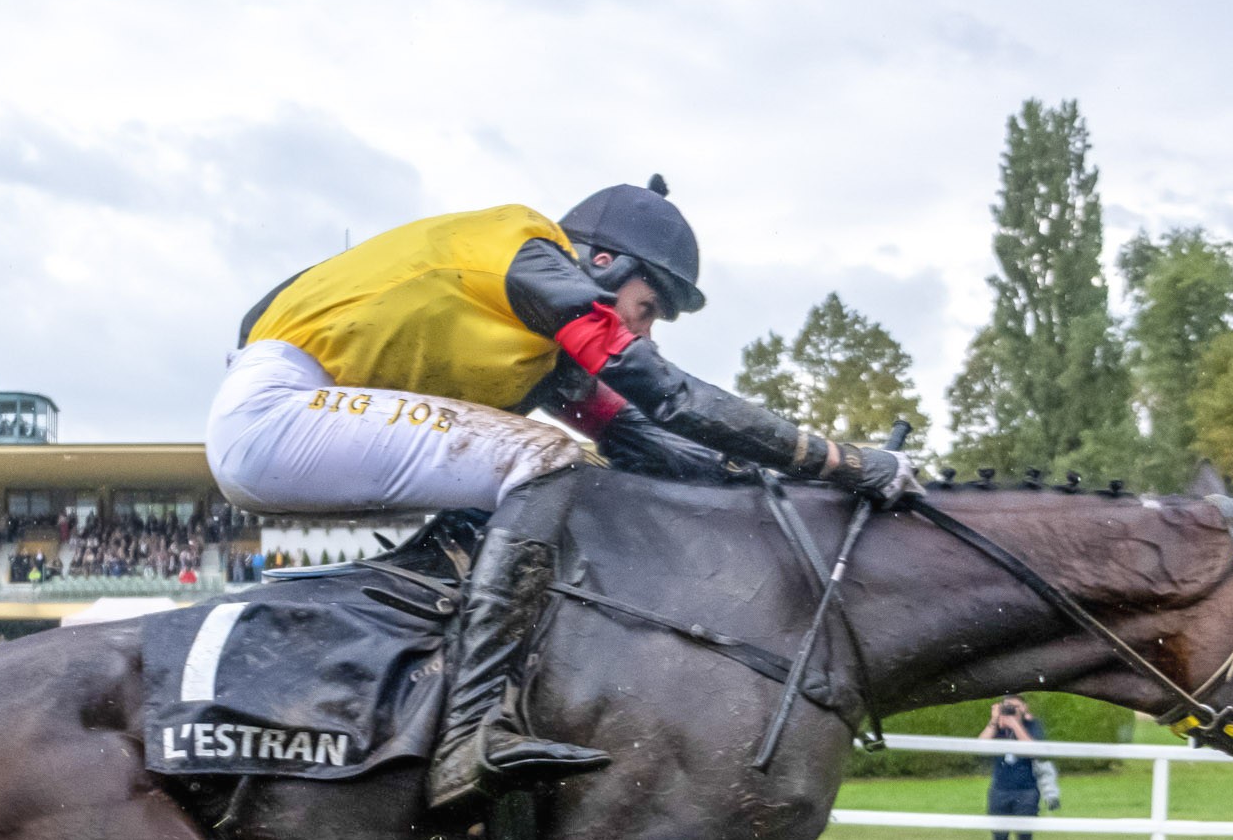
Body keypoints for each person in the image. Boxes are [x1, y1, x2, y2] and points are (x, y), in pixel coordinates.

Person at [207, 177, 923, 806]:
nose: (642, 329)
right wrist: (840, 462)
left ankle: (414, 704)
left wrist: (787, 485)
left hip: (304, 419)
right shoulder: (527, 256)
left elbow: (644, 440)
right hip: (277, 411)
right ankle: (469, 729)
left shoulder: (541, 350)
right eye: (647, 308)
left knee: (507, 493)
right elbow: (668, 397)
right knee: (545, 457)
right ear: (601, 263)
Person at [980, 695, 1060, 840]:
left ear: (1024, 708)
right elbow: (979, 746)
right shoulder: (997, 728)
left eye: (1015, 707)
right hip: (1000, 788)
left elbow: (1035, 751)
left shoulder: (1032, 725)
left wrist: (1016, 724)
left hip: (1026, 790)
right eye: (1007, 707)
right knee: (999, 835)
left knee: (1024, 835)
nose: (1011, 711)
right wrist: (994, 721)